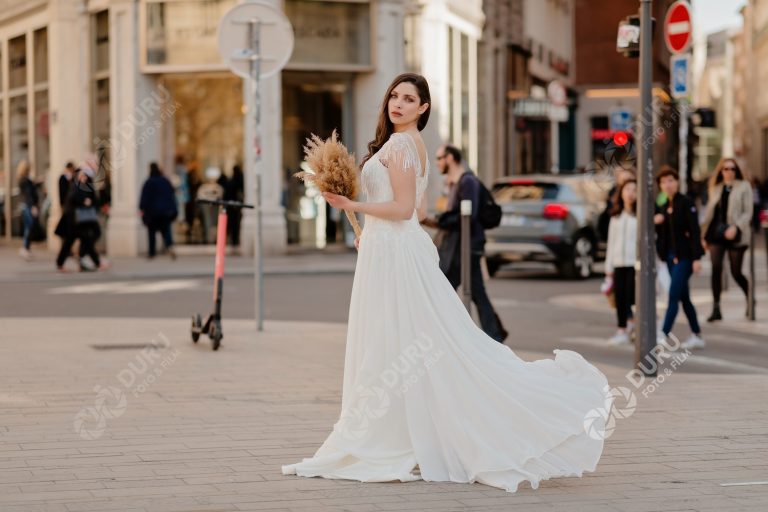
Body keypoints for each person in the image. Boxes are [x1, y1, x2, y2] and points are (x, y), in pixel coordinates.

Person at [282, 73, 612, 493]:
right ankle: (402, 429)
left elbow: (405, 210)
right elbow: (409, 209)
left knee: (403, 342)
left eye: (409, 99)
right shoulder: (399, 144)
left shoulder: (402, 144)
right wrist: (365, 227)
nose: (398, 104)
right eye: (394, 96)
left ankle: (403, 435)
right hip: (386, 250)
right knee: (400, 343)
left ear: (423, 108)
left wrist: (352, 204)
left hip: (397, 255)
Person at [431, 144, 507, 343]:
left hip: (466, 247)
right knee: (474, 292)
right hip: (461, 245)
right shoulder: (456, 183)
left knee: (445, 289)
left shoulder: (468, 181)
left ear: (450, 158)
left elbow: (468, 215)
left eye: (439, 158)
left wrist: (441, 219)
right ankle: (494, 336)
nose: (437, 162)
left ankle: (450, 335)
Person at [654, 166, 705, 350]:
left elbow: (695, 230)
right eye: (664, 181)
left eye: (671, 180)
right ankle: (697, 334)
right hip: (668, 257)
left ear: (677, 182)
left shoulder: (686, 202)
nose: (668, 184)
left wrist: (697, 258)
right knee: (685, 297)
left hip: (685, 257)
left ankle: (663, 334)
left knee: (673, 295)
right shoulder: (661, 205)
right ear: (660, 185)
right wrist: (657, 221)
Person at [701, 158, 754, 321]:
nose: (728, 171)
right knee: (716, 268)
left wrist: (735, 227)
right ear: (721, 171)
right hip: (716, 234)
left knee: (736, 272)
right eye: (725, 169)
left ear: (736, 170)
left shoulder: (744, 186)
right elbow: (710, 214)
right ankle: (716, 308)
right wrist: (703, 236)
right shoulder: (715, 188)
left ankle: (750, 299)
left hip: (736, 233)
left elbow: (748, 212)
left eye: (732, 168)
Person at [605, 178, 638, 346]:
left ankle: (632, 323)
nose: (631, 193)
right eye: (628, 190)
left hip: (634, 263)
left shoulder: (640, 216)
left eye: (634, 190)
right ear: (622, 193)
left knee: (631, 296)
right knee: (620, 298)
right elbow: (611, 242)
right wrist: (608, 267)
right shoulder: (616, 216)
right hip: (618, 261)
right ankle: (622, 329)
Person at [71, 167, 107, 271]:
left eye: (85, 175)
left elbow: (95, 199)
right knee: (86, 238)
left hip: (89, 216)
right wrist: (84, 201)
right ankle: (90, 260)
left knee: (92, 236)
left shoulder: (88, 186)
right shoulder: (76, 186)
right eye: (82, 175)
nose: (84, 177)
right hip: (81, 218)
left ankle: (83, 257)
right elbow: (73, 199)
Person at [139, 162, 178, 259]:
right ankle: (169, 246)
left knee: (151, 232)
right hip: (165, 211)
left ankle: (152, 253)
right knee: (166, 230)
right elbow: (171, 195)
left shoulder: (149, 182)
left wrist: (142, 208)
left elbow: (144, 198)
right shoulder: (165, 181)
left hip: (153, 212)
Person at [55, 162, 79, 271]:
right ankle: (64, 260)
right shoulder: (64, 179)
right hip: (69, 212)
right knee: (70, 236)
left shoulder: (74, 180)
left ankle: (81, 259)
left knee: (72, 236)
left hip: (72, 213)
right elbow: (63, 194)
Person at [17, 161, 40, 261]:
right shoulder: (25, 180)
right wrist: (32, 206)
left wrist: (36, 183)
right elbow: (28, 194)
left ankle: (26, 248)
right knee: (29, 227)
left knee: (29, 227)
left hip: (27, 206)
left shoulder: (24, 180)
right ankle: (25, 248)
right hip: (27, 206)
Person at [224, 164, 245, 254]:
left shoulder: (233, 180)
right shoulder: (239, 179)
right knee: (234, 223)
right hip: (235, 206)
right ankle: (234, 239)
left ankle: (233, 239)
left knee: (233, 223)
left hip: (232, 205)